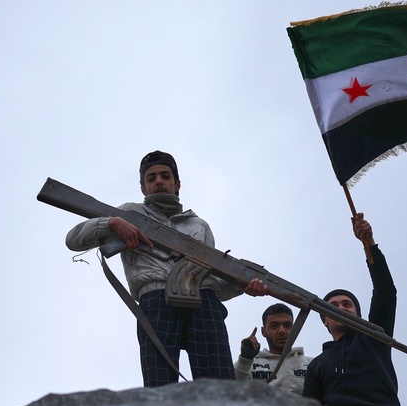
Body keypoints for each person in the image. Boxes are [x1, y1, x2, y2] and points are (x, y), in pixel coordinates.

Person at [65, 150, 265, 387]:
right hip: (156, 300)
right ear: (143, 189)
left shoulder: (199, 225)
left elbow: (213, 282)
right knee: (159, 385)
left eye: (164, 176)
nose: (159, 181)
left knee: (220, 384)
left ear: (177, 183)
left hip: (204, 302)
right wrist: (112, 222)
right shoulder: (130, 213)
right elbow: (74, 238)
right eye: (151, 179)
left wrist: (242, 285)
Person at [302, 214, 407, 406]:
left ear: (358, 312)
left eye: (347, 304)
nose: (341, 308)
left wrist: (369, 244)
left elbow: (386, 292)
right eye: (333, 306)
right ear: (324, 321)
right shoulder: (317, 366)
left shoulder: (374, 339)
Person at [234, 303, 311, 395]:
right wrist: (245, 360)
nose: (282, 331)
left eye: (287, 325)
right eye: (274, 326)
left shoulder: (312, 364)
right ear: (263, 331)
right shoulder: (250, 365)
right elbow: (231, 391)